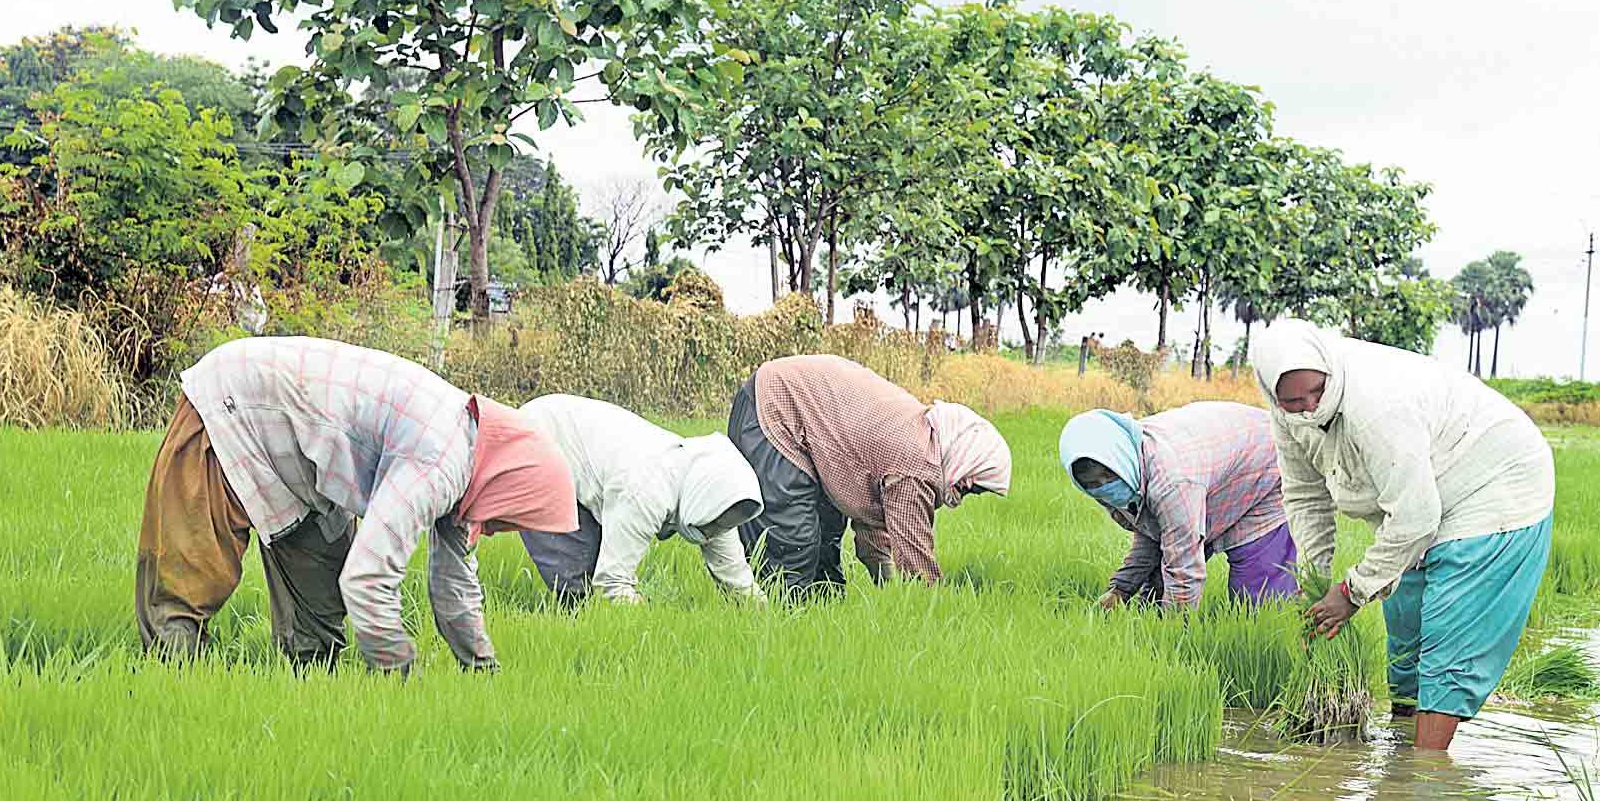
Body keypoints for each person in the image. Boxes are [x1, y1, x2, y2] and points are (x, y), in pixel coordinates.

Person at [135, 336, 576, 675]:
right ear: (509, 486)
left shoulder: (470, 469)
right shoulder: (441, 460)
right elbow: (368, 575)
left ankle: (303, 703)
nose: (495, 529)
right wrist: (397, 675)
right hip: (238, 402)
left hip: (306, 461)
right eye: (508, 519)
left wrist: (483, 672)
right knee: (187, 581)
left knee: (319, 621)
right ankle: (172, 687)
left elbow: (453, 587)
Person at [1250, 320, 1555, 751]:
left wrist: (1351, 592)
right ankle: (1399, 750)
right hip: (1421, 498)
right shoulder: (1287, 416)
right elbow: (1305, 494)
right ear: (1273, 395)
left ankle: (1423, 774)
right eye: (1295, 401)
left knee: (1448, 645)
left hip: (1493, 489)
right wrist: (1315, 581)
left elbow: (1416, 518)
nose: (1311, 407)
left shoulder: (1376, 403)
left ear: (1329, 371)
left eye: (1318, 391)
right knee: (1406, 639)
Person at [725, 354, 1011, 595]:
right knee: (792, 548)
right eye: (974, 487)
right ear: (966, 465)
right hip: (775, 406)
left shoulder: (920, 438)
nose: (967, 493)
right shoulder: (918, 464)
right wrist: (935, 607)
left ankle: (820, 623)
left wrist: (885, 590)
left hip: (795, 408)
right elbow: (916, 562)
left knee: (826, 545)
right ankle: (776, 629)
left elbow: (872, 523)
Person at [516, 393, 766, 605]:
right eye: (719, 523)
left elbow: (736, 579)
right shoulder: (648, 489)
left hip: (584, 448)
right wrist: (654, 623)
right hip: (539, 438)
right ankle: (573, 626)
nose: (717, 531)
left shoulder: (714, 501)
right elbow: (612, 583)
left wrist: (764, 614)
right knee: (574, 573)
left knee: (594, 561)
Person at [1058, 402, 1298, 611]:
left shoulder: (1171, 480)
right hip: (1213, 469)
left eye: (1108, 476)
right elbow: (1153, 534)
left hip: (1268, 464)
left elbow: (1184, 569)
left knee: (1259, 596)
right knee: (1154, 596)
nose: (1104, 486)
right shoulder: (1125, 468)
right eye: (1093, 484)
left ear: (1119, 458)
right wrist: (1120, 590)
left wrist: (1172, 633)